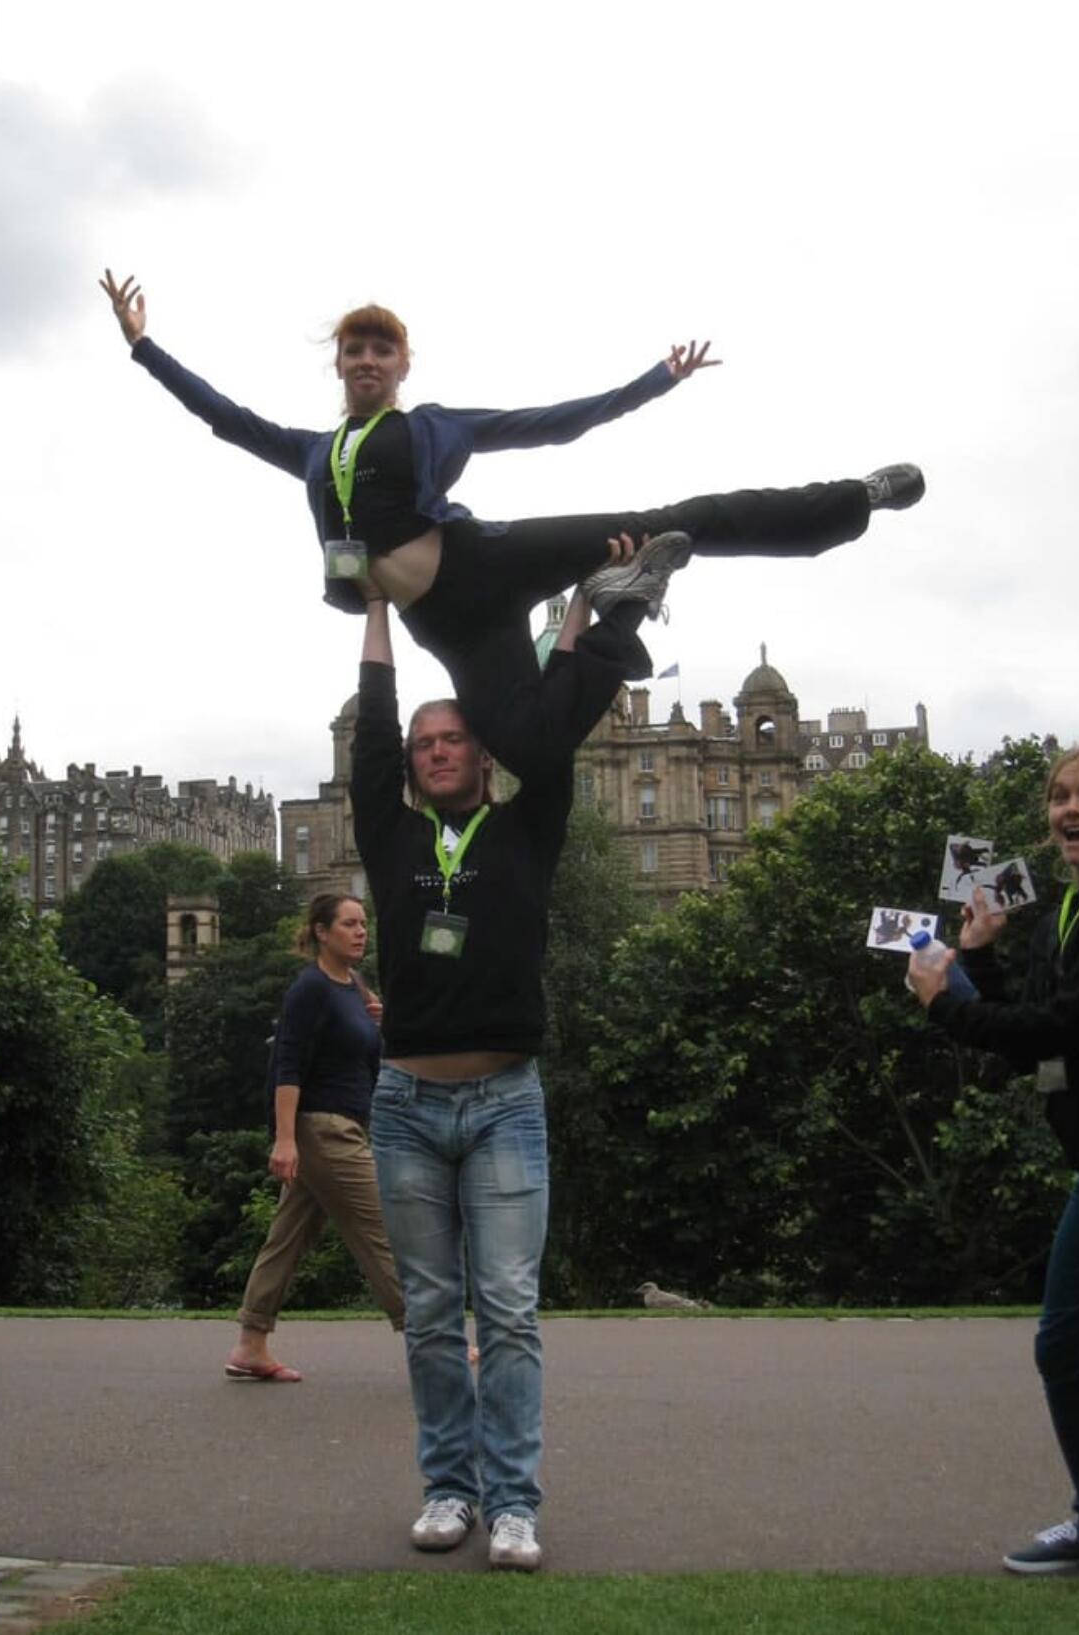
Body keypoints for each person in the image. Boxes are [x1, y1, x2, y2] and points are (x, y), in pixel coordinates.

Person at [99, 271, 925, 779]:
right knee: (530, 751)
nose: (367, 361)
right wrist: (145, 347)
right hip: (444, 626)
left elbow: (549, 423)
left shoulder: (432, 426)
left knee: (673, 520)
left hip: (482, 564)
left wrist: (652, 383)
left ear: (402, 366)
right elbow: (225, 418)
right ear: (338, 363)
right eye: (355, 349)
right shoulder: (314, 451)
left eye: (382, 351)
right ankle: (618, 603)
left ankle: (854, 499)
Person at [347, 575, 640, 1571]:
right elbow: (374, 727)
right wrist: (378, 605)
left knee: (507, 1314)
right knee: (431, 1315)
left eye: (452, 739)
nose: (433, 752)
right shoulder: (388, 839)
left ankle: (512, 1503)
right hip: (406, 1106)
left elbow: (546, 727)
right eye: (423, 744)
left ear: (482, 751)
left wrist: (571, 620)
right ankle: (446, 1489)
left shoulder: (528, 823)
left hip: (505, 1102)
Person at [907, 743, 1079, 1575]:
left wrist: (942, 1009)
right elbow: (1028, 1033)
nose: (1072, 809)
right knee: (1064, 1345)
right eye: (1061, 796)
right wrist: (984, 951)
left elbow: (1061, 1028)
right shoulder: (1069, 911)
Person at [225, 893, 404, 1382]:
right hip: (322, 1128)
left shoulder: (355, 988)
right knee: (385, 1230)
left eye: (364, 923)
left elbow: (365, 1063)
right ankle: (434, 1340)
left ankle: (250, 1344)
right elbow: (287, 1063)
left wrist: (382, 1027)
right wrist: (285, 1140)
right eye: (349, 924)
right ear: (322, 933)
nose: (361, 931)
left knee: (287, 1238)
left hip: (348, 1124)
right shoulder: (311, 988)